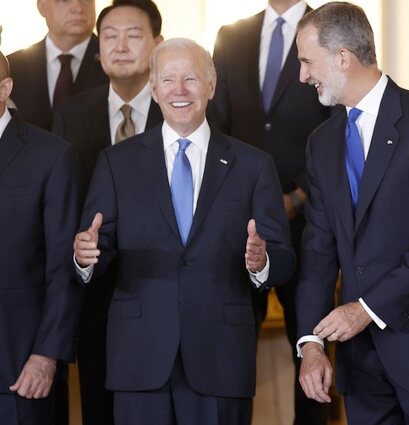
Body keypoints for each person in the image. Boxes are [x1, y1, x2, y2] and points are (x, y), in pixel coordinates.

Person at [72, 38, 294, 425]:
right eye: (168, 80)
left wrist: (262, 262)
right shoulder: (115, 163)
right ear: (154, 90)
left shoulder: (253, 165)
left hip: (220, 356)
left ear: (211, 86)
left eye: (191, 78)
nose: (179, 90)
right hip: (139, 357)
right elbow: (98, 245)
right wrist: (84, 255)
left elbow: (284, 258)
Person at [294, 3, 409, 424]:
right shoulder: (321, 142)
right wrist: (312, 343)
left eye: (307, 60)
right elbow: (319, 249)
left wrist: (366, 309)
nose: (304, 75)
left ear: (342, 56)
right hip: (361, 361)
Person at [212, 1, 330, 422]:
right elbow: (217, 122)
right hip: (239, 222)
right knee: (231, 345)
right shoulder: (231, 35)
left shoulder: (329, 27)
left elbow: (338, 124)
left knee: (310, 344)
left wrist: (298, 197)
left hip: (307, 218)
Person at [52, 1, 163, 424]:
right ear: (98, 51)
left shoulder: (181, 105)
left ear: (157, 43)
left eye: (133, 35)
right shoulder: (71, 114)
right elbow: (63, 206)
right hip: (95, 295)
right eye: (109, 36)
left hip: (161, 288)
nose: (119, 46)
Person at [0, 51, 82, 425]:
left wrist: (47, 355)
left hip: (18, 367)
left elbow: (63, 265)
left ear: (5, 88)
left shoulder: (50, 156)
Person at [8, 0, 108, 131]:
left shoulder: (118, 63)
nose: (78, 8)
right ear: (42, 7)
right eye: (64, 1)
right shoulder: (12, 67)